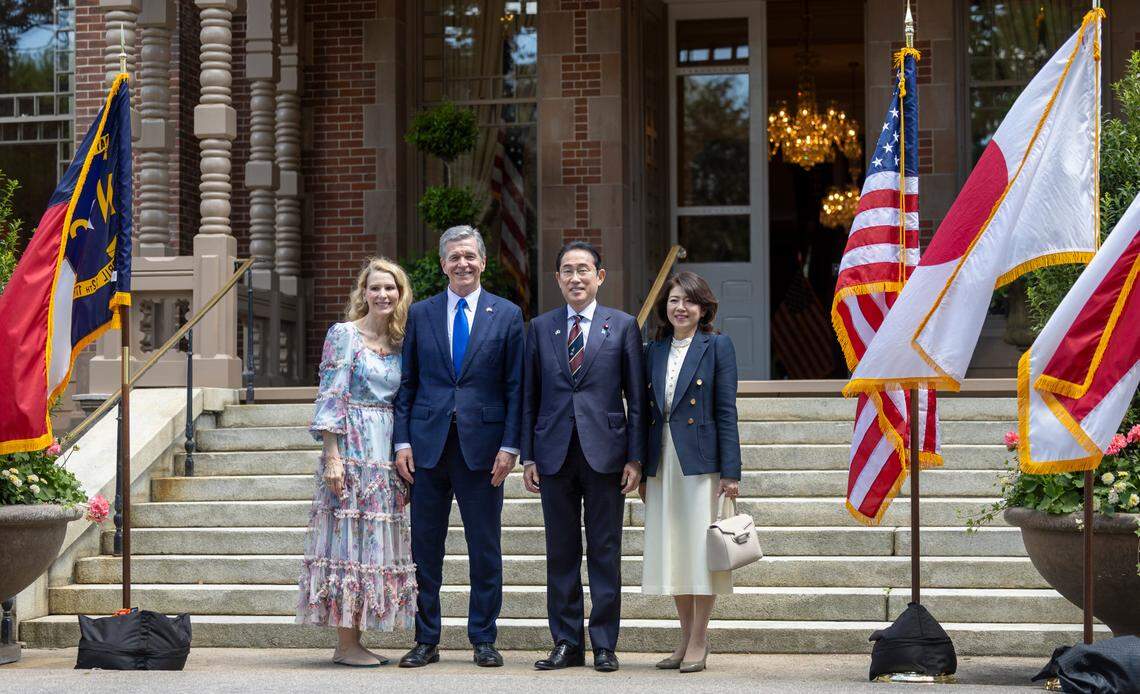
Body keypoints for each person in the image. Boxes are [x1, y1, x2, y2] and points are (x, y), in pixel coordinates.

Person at [393, 225, 524, 669]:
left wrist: (510, 446)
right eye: (454, 257)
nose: (462, 264)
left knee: (484, 548)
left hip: (484, 452)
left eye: (469, 256)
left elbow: (515, 387)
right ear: (443, 263)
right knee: (424, 550)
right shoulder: (422, 313)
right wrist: (402, 441)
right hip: (427, 450)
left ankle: (483, 638)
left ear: (483, 261)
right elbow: (407, 383)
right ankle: (425, 638)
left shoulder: (506, 315)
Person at [522, 241, 646, 673]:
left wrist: (636, 458)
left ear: (600, 276)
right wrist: (528, 456)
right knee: (560, 552)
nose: (576, 278)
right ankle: (566, 642)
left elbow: (637, 397)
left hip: (607, 455)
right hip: (553, 454)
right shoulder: (540, 327)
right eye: (567, 271)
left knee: (605, 550)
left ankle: (605, 644)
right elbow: (529, 396)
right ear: (557, 279)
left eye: (584, 270)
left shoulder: (624, 326)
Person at [297, 257, 417, 667]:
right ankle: (346, 643)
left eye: (391, 288)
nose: (383, 295)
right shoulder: (344, 335)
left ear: (401, 295)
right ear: (363, 293)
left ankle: (356, 639)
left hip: (386, 451)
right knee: (348, 545)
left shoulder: (402, 342)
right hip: (351, 448)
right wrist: (332, 456)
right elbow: (331, 395)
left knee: (373, 547)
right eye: (375, 288)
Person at [640, 271, 741, 674]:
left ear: (703, 308)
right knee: (674, 550)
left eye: (689, 301)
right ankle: (683, 638)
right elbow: (646, 413)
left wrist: (731, 472)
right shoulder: (653, 349)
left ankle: (700, 638)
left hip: (702, 461)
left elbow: (726, 411)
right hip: (662, 459)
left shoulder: (717, 346)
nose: (680, 308)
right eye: (674, 300)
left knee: (701, 553)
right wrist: (644, 466)